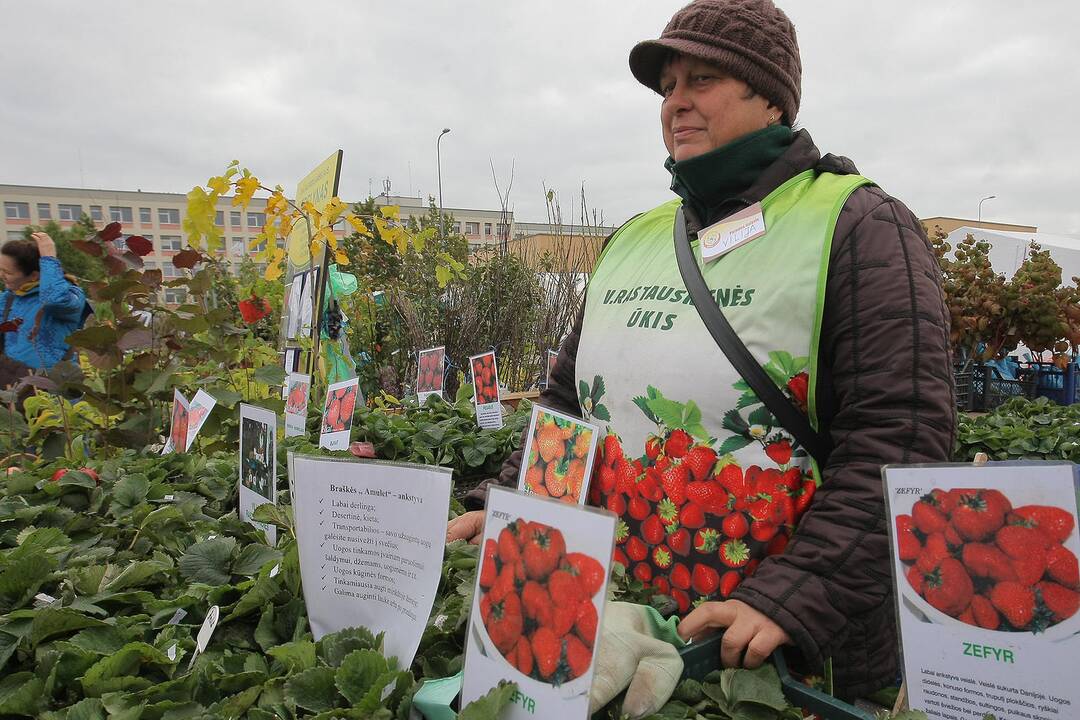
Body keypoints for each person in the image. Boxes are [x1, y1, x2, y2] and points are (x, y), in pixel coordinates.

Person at [448, 0, 955, 712]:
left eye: (703, 81)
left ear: (772, 96)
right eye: (667, 88)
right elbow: (568, 406)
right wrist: (507, 503)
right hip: (614, 628)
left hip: (783, 662)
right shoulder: (633, 239)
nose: (675, 104)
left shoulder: (862, 226)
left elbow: (902, 438)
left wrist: (792, 596)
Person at [0, 232, 91, 372]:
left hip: (53, 386)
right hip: (15, 385)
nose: (1, 276)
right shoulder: (9, 298)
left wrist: (49, 258)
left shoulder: (70, 294)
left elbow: (54, 300)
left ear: (34, 276)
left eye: (8, 272)